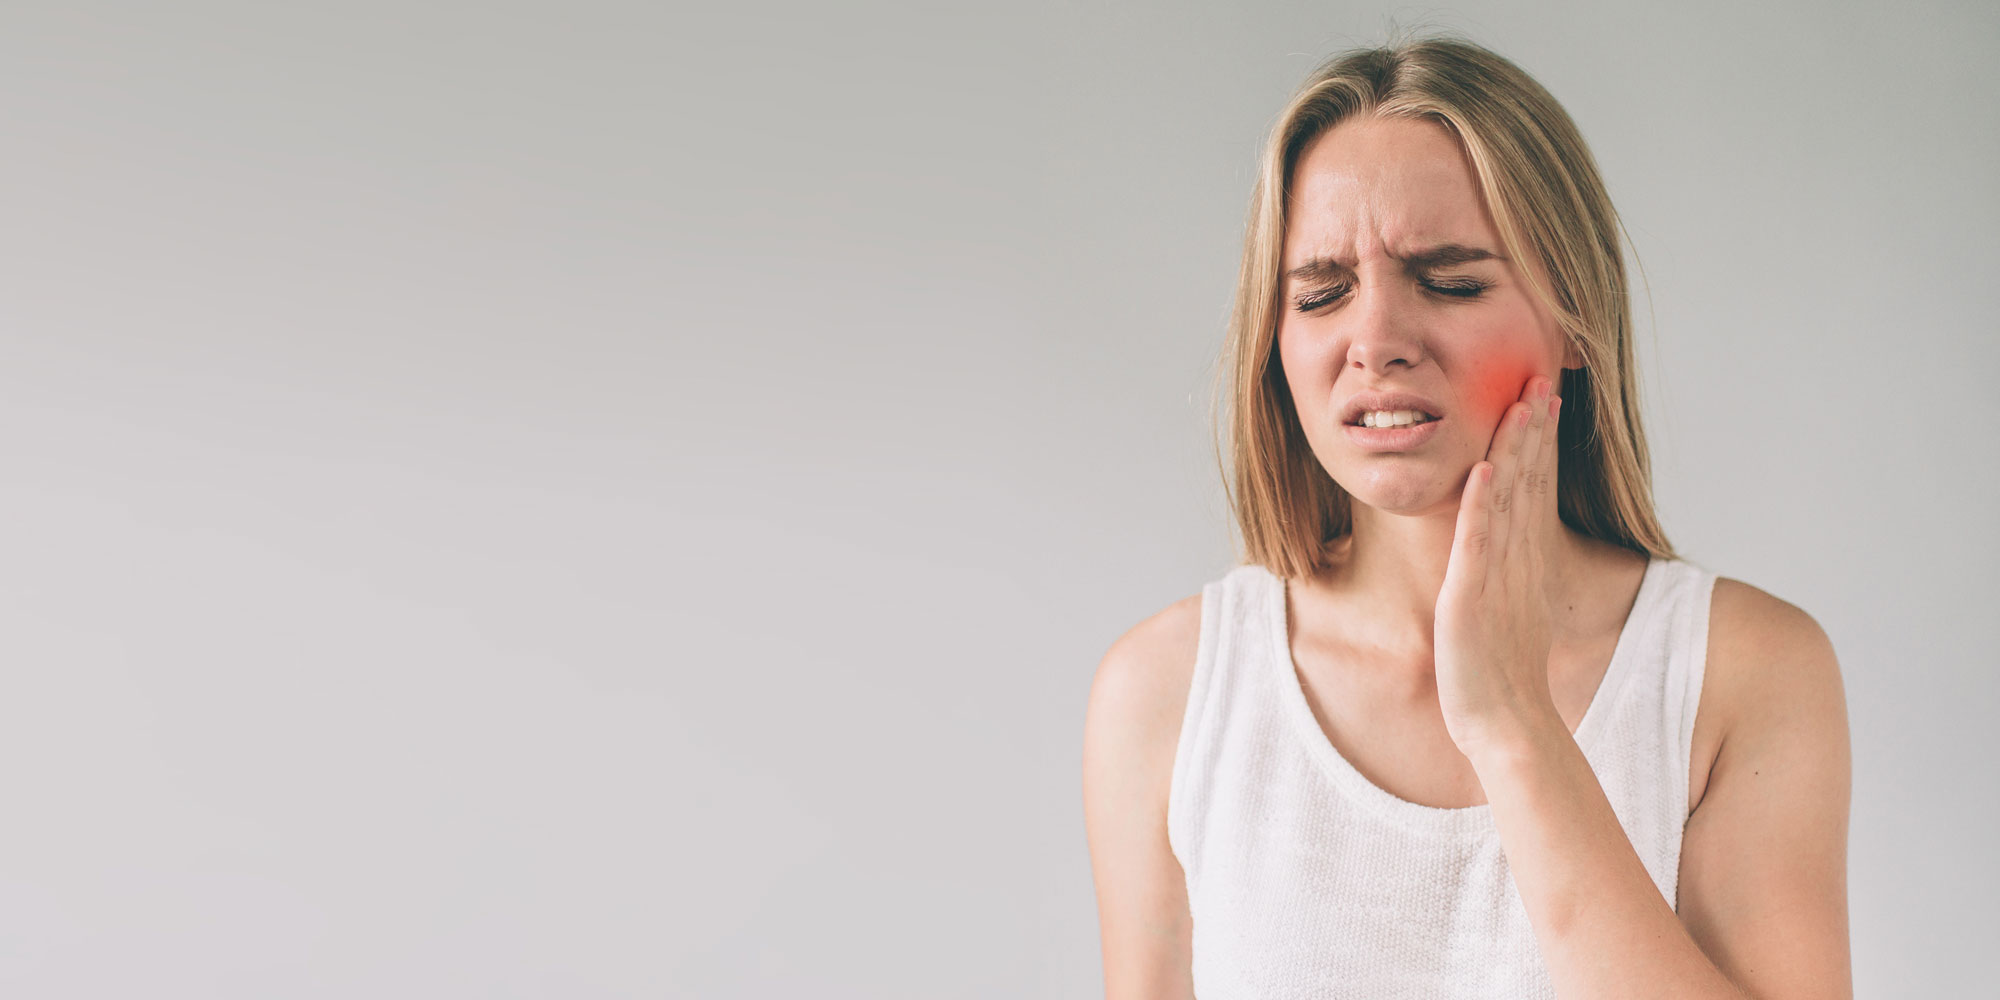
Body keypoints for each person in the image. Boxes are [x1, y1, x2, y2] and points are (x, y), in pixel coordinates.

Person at [1081, 35, 1852, 999]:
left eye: (1449, 281)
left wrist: (1512, 721)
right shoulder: (1165, 694)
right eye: (1321, 292)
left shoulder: (1743, 671)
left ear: (1575, 317)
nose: (1376, 342)